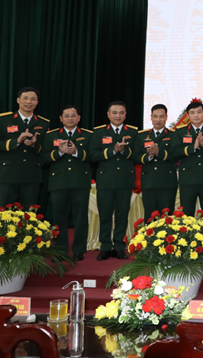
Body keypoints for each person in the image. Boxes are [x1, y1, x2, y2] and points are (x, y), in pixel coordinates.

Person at [40, 105, 92, 260]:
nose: (70, 118)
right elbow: (43, 157)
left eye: (73, 115)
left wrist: (76, 152)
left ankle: (79, 250)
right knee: (58, 218)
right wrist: (59, 152)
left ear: (79, 118)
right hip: (58, 182)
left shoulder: (88, 135)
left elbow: (94, 156)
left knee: (80, 218)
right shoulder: (51, 136)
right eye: (66, 116)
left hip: (80, 182)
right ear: (61, 118)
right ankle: (60, 250)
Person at [88, 101, 137, 261]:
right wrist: (112, 150)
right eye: (114, 113)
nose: (118, 116)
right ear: (108, 114)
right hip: (106, 180)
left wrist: (124, 151)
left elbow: (137, 154)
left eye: (121, 113)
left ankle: (119, 247)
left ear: (125, 115)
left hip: (125, 180)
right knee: (105, 215)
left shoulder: (133, 132)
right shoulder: (99, 132)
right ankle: (105, 247)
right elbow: (93, 155)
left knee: (122, 215)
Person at [0, 87, 49, 207]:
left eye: (33, 99)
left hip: (32, 175)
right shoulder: (4, 120)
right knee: (4, 212)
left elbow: (46, 150)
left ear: (37, 102)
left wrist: (34, 145)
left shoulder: (43, 123)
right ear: (18, 100)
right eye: (25, 98)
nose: (28, 102)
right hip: (8, 174)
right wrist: (16, 141)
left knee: (30, 213)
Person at [173, 100, 203, 218]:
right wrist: (192, 148)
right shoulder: (180, 131)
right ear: (187, 115)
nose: (196, 115)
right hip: (188, 179)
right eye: (192, 113)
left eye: (199, 112)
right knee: (187, 214)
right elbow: (174, 153)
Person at [135, 104, 178, 218]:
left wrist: (159, 152)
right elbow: (135, 156)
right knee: (150, 218)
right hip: (149, 182)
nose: (158, 119)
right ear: (151, 117)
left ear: (166, 117)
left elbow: (177, 155)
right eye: (155, 116)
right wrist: (149, 156)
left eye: (161, 116)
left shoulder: (174, 135)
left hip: (167, 183)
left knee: (167, 219)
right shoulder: (142, 136)